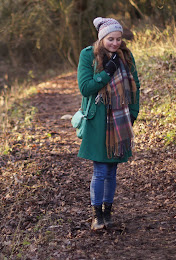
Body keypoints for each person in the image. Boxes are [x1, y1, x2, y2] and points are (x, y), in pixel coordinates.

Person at [76, 17, 140, 230]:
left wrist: (133, 113)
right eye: (110, 39)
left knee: (112, 170)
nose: (115, 43)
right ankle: (97, 216)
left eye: (118, 39)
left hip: (120, 120)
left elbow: (135, 88)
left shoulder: (126, 57)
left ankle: (108, 213)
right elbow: (86, 88)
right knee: (101, 170)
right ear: (102, 38)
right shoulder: (88, 56)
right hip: (98, 121)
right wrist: (108, 72)